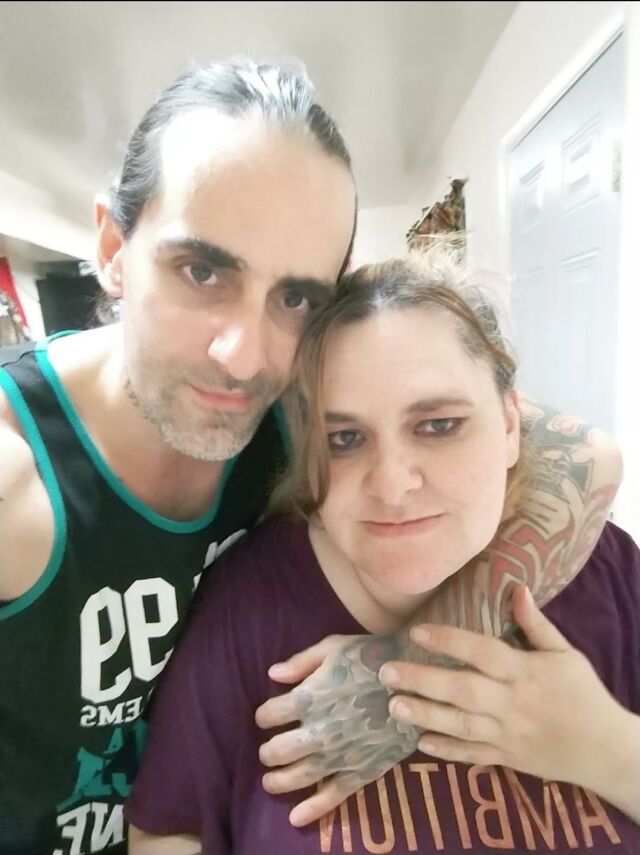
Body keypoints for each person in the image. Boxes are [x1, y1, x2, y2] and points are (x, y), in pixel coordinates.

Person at [0, 59, 619, 855]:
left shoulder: (303, 412)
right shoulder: (20, 476)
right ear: (114, 247)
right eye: (202, 271)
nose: (243, 354)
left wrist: (402, 672)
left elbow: (588, 455)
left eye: (295, 297)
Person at [126, 252, 639, 854]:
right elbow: (170, 829)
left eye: (439, 425)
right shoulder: (252, 603)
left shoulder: (608, 573)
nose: (392, 485)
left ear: (509, 425)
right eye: (344, 438)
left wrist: (606, 748)